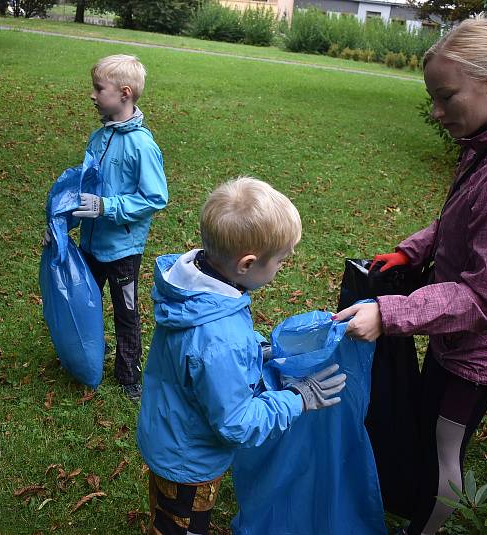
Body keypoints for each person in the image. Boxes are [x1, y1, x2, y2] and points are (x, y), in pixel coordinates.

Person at [333, 17, 487, 535]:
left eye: (447, 96)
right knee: (427, 429)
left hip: (479, 353)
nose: (436, 112)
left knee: (445, 452)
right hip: (452, 339)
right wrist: (411, 252)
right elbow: (462, 219)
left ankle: (426, 528)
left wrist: (390, 313)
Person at [137, 177, 347, 535]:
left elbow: (201, 356)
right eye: (280, 261)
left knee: (167, 511)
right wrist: (298, 398)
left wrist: (258, 350)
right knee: (180, 523)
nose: (282, 267)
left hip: (168, 431)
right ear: (246, 264)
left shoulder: (195, 288)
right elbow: (236, 423)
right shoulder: (221, 341)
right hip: (191, 460)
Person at [43, 54, 168, 401]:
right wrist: (61, 225)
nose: (93, 95)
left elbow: (155, 198)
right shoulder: (99, 138)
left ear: (124, 93)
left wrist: (106, 207)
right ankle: (84, 356)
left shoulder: (142, 146)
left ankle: (129, 375)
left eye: (99, 89)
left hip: (123, 252)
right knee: (84, 302)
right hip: (89, 247)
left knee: (125, 311)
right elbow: (83, 189)